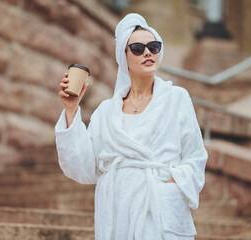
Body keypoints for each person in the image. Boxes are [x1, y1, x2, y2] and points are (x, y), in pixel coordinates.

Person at [55, 13, 208, 240]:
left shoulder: (177, 98)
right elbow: (84, 167)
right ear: (123, 57)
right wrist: (71, 109)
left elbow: (195, 157)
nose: (147, 52)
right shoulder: (106, 112)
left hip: (158, 211)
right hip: (116, 213)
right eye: (137, 48)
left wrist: (170, 183)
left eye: (153, 46)